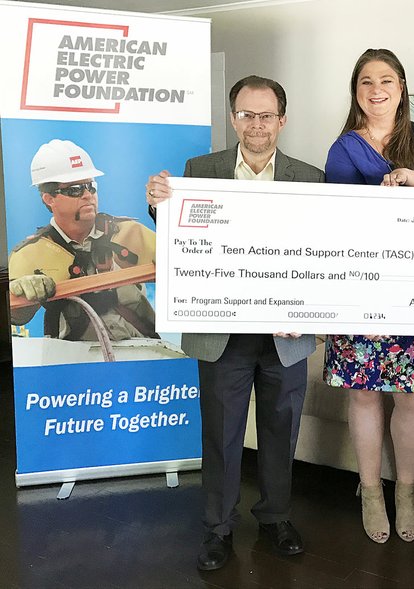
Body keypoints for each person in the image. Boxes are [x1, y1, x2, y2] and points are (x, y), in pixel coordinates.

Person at [145, 75, 324, 571]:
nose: (257, 125)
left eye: (266, 115)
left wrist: (309, 312)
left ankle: (275, 517)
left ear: (282, 120)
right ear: (233, 118)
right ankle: (218, 527)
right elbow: (179, 235)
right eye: (247, 114)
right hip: (221, 332)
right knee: (221, 434)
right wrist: (158, 203)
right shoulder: (199, 171)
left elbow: (323, 254)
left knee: (280, 429)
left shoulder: (310, 178)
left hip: (285, 336)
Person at [324, 48, 414, 544]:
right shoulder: (344, 148)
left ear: (402, 86)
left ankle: (406, 490)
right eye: (366, 81)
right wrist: (367, 303)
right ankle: (369, 491)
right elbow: (339, 228)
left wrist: (410, 178)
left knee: (412, 397)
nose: (377, 89)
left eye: (387, 80)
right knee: (365, 394)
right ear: (356, 91)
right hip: (361, 289)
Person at [9, 139, 157, 342]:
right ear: (49, 198)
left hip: (147, 351)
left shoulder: (130, 233)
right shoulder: (29, 254)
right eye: (75, 189)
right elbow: (16, 317)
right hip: (72, 360)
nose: (88, 195)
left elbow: (185, 270)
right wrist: (22, 291)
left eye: (91, 186)